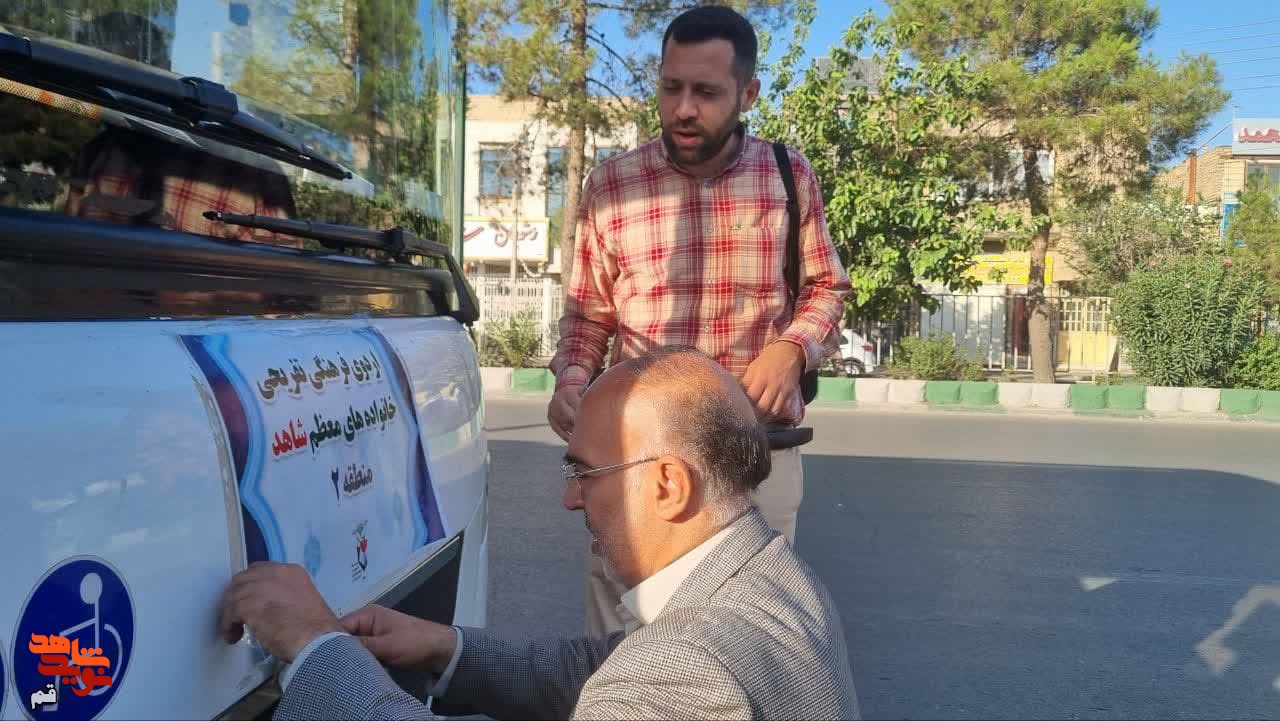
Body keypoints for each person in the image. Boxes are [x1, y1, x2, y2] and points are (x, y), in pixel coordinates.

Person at [219, 346, 861, 720]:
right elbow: (600, 668)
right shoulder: (770, 574)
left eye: (587, 473)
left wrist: (315, 644)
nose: (570, 498)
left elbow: (649, 672)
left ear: (668, 485)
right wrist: (444, 648)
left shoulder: (691, 666)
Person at [546, 4, 852, 637]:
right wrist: (572, 379)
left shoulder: (787, 175)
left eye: (707, 92)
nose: (684, 108)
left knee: (746, 637)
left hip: (755, 454)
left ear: (748, 94)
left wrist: (792, 349)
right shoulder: (612, 185)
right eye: (671, 87)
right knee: (619, 644)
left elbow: (826, 287)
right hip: (634, 461)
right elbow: (587, 315)